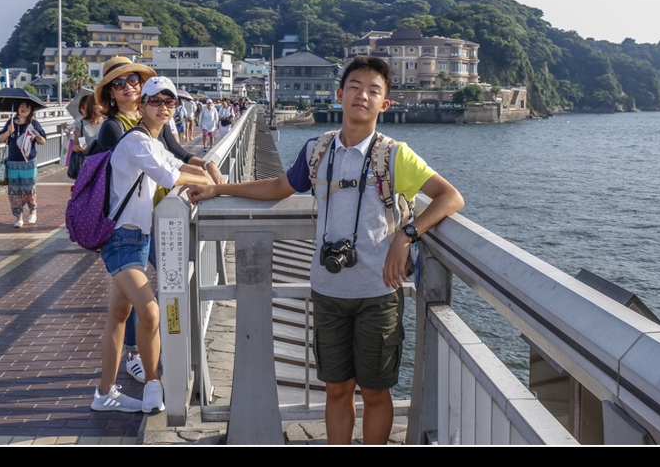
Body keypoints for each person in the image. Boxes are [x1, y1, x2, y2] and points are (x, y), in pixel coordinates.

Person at [188, 55, 464, 444]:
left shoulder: (394, 155)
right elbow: (278, 188)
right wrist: (219, 190)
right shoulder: (317, 151)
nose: (362, 97)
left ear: (384, 105)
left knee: (375, 392)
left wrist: (407, 234)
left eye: (373, 91)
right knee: (336, 389)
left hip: (379, 293)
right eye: (354, 88)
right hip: (329, 290)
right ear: (339, 95)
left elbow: (450, 197)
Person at [93, 56, 223, 385]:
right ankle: (149, 369)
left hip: (145, 225)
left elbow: (174, 152)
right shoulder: (121, 131)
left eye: (133, 80)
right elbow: (164, 171)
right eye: (119, 83)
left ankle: (106, 391)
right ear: (110, 92)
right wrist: (218, 185)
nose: (127, 87)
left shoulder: (150, 129)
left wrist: (207, 167)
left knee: (121, 312)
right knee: (155, 301)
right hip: (124, 229)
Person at [0, 100, 47, 228]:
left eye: (27, 107)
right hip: (13, 163)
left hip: (29, 162)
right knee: (14, 192)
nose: (24, 108)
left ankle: (32, 210)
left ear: (31, 110)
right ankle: (18, 217)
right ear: (17, 109)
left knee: (30, 189)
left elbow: (43, 141)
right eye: (21, 106)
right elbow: (1, 139)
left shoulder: (34, 123)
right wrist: (8, 131)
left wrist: (36, 134)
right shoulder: (11, 123)